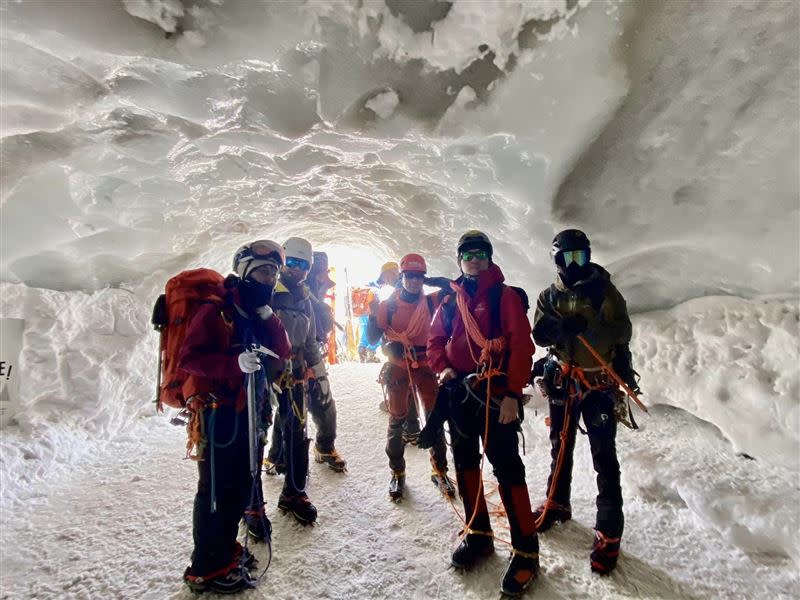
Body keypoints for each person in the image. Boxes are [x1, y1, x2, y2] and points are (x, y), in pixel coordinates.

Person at [423, 230, 540, 597]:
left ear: (489, 258)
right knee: (466, 465)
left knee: (507, 469)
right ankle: (479, 534)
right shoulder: (450, 300)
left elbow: (521, 346)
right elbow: (435, 340)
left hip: (495, 395)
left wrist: (511, 394)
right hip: (460, 393)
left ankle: (526, 552)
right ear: (460, 260)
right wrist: (442, 367)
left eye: (480, 254)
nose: (474, 259)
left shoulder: (503, 296)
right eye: (467, 254)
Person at [180, 240, 291, 593]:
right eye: (261, 270)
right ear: (244, 272)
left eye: (273, 271)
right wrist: (233, 364)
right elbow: (190, 358)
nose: (269, 277)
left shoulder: (257, 310)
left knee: (241, 484)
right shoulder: (216, 311)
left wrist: (269, 319)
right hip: (219, 413)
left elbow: (281, 353)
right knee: (216, 488)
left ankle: (225, 551)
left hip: (251, 410)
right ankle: (205, 567)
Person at [531, 228, 638, 576]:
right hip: (564, 379)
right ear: (557, 260)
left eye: (581, 256)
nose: (575, 264)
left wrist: (590, 329)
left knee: (604, 455)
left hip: (598, 384)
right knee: (559, 445)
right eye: (568, 257)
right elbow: (539, 333)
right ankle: (557, 503)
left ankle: (609, 530)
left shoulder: (604, 292)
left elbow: (622, 331)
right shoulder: (549, 295)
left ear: (588, 257)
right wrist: (563, 331)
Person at [366, 253, 455, 501]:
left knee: (434, 418)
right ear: (402, 277)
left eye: (419, 276)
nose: (415, 281)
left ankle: (440, 471)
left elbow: (455, 289)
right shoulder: (388, 306)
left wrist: (437, 280)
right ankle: (397, 472)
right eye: (410, 276)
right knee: (397, 419)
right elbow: (373, 338)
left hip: (426, 365)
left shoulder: (431, 301)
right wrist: (373, 316)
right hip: (399, 365)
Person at [263, 237, 329, 525]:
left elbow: (311, 340)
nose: (297, 269)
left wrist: (320, 371)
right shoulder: (267, 291)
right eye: (292, 262)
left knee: (297, 428)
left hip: (297, 372)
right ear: (282, 262)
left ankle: (294, 491)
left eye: (303, 264)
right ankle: (250, 502)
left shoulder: (305, 296)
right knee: (257, 431)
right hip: (266, 372)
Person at [304, 250, 347, 472]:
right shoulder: (299, 293)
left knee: (313, 404)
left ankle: (279, 456)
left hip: (311, 354)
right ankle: (321, 447)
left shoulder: (311, 293)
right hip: (299, 357)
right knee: (304, 406)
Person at [357, 261, 399, 363]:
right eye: (384, 278)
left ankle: (365, 352)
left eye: (386, 277)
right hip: (368, 313)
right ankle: (368, 353)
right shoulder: (376, 290)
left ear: (394, 273)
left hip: (364, 313)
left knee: (370, 333)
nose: (386, 281)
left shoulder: (401, 285)